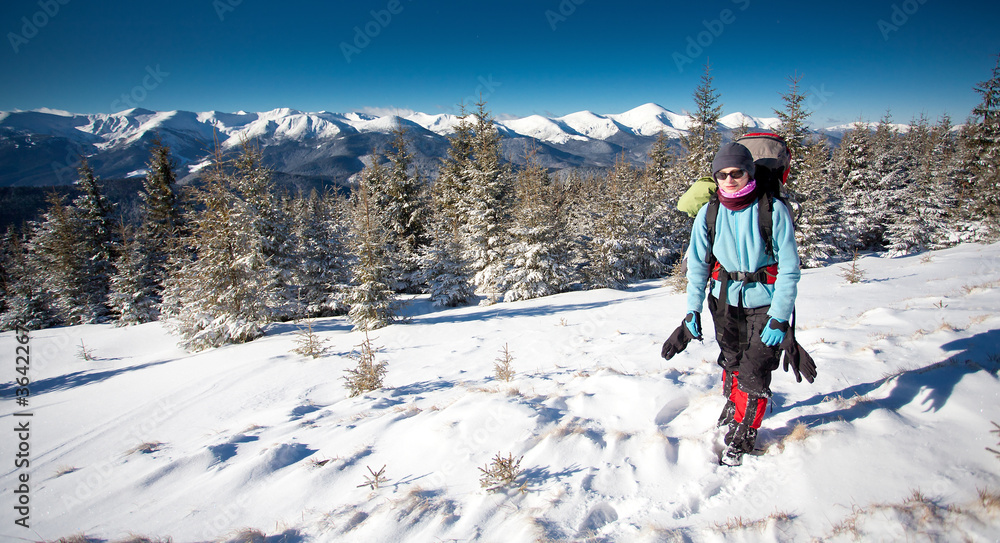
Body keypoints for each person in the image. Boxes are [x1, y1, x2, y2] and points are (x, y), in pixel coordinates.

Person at [663, 141, 801, 467]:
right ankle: (733, 404)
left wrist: (780, 318)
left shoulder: (772, 210)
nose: (729, 180)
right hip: (723, 300)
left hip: (763, 303)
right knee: (732, 359)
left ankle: (745, 433)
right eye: (722, 174)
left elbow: (790, 269)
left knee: (755, 370)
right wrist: (691, 312)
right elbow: (697, 266)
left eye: (736, 172)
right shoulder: (709, 214)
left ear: (749, 172)